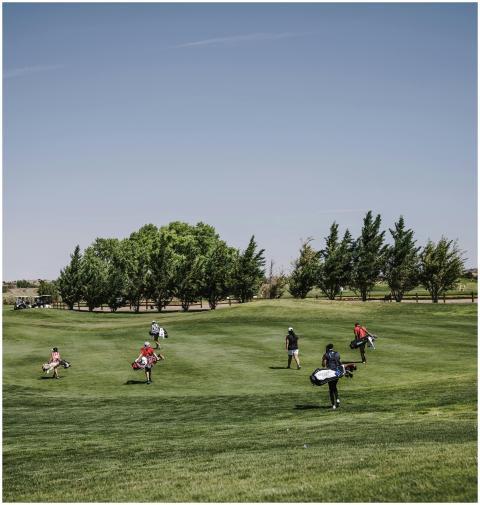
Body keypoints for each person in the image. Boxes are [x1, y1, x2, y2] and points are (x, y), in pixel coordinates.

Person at [322, 343, 342, 409]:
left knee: (331, 388)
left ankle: (333, 404)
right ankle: (337, 399)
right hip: (337, 372)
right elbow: (340, 362)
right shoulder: (337, 353)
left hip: (330, 372)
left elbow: (324, 365)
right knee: (334, 386)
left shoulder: (326, 354)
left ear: (327, 348)